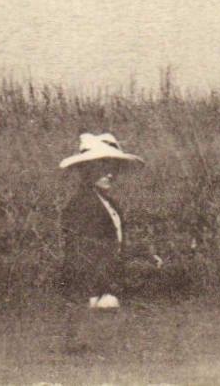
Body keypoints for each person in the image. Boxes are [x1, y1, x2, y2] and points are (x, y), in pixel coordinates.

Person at [58, 131, 147, 310]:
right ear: (87, 169)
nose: (110, 175)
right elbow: (82, 254)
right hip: (91, 292)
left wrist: (144, 254)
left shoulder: (108, 203)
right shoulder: (81, 204)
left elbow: (115, 245)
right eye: (102, 168)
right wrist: (100, 293)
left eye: (113, 168)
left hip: (109, 285)